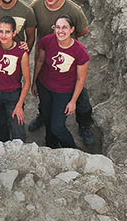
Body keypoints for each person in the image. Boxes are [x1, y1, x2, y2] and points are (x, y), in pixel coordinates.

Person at [29, 0, 92, 137]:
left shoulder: (73, 10)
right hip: (44, 57)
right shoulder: (35, 6)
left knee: (81, 97)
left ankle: (84, 125)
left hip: (70, 61)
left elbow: (84, 30)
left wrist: (67, 43)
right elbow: (29, 27)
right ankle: (44, 116)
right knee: (44, 92)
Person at [33, 15, 92, 149]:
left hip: (64, 92)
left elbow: (80, 79)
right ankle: (51, 145)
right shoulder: (47, 41)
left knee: (57, 127)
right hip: (45, 86)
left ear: (72, 30)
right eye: (57, 27)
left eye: (64, 27)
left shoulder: (80, 52)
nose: (60, 31)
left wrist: (73, 102)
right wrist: (34, 82)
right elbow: (40, 61)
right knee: (47, 118)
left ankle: (73, 150)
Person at [0, 16, 32, 142]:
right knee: (0, 125)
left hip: (12, 96)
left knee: (18, 130)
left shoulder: (22, 53)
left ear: (14, 33)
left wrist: (19, 105)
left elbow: (27, 81)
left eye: (8, 32)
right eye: (0, 31)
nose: (3, 35)